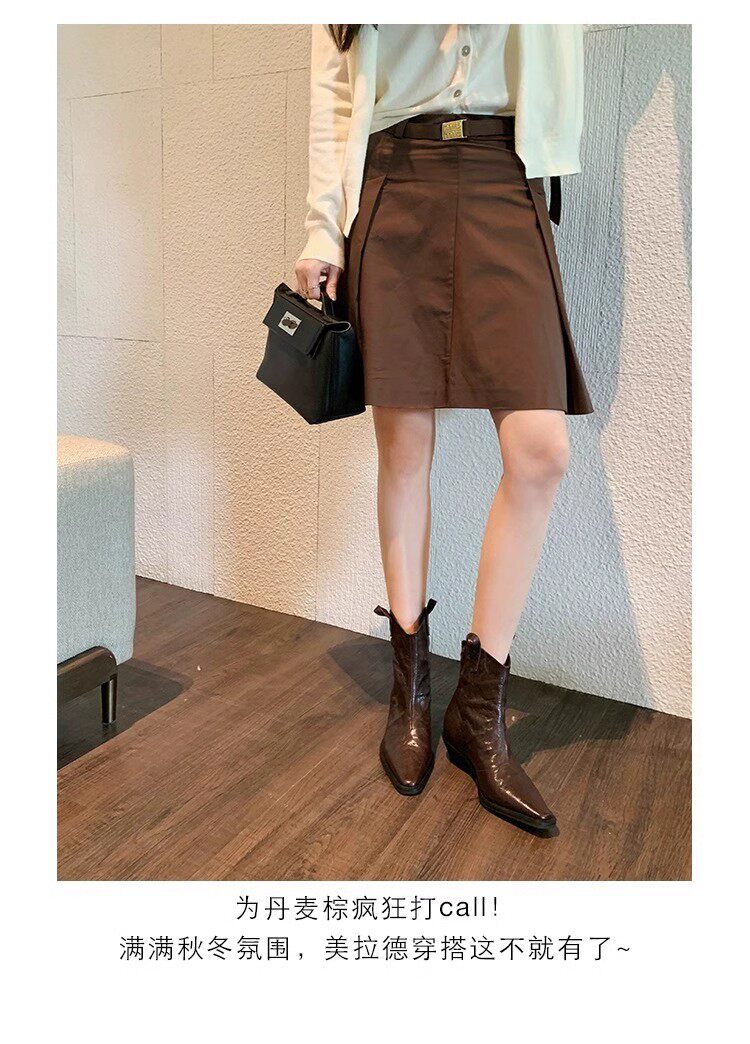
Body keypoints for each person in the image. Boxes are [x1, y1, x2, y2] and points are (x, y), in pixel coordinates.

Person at [294, 25, 593, 833]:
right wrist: (322, 227)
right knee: (404, 449)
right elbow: (333, 89)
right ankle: (412, 692)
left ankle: (478, 710)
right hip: (396, 178)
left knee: (540, 452)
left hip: (504, 171)